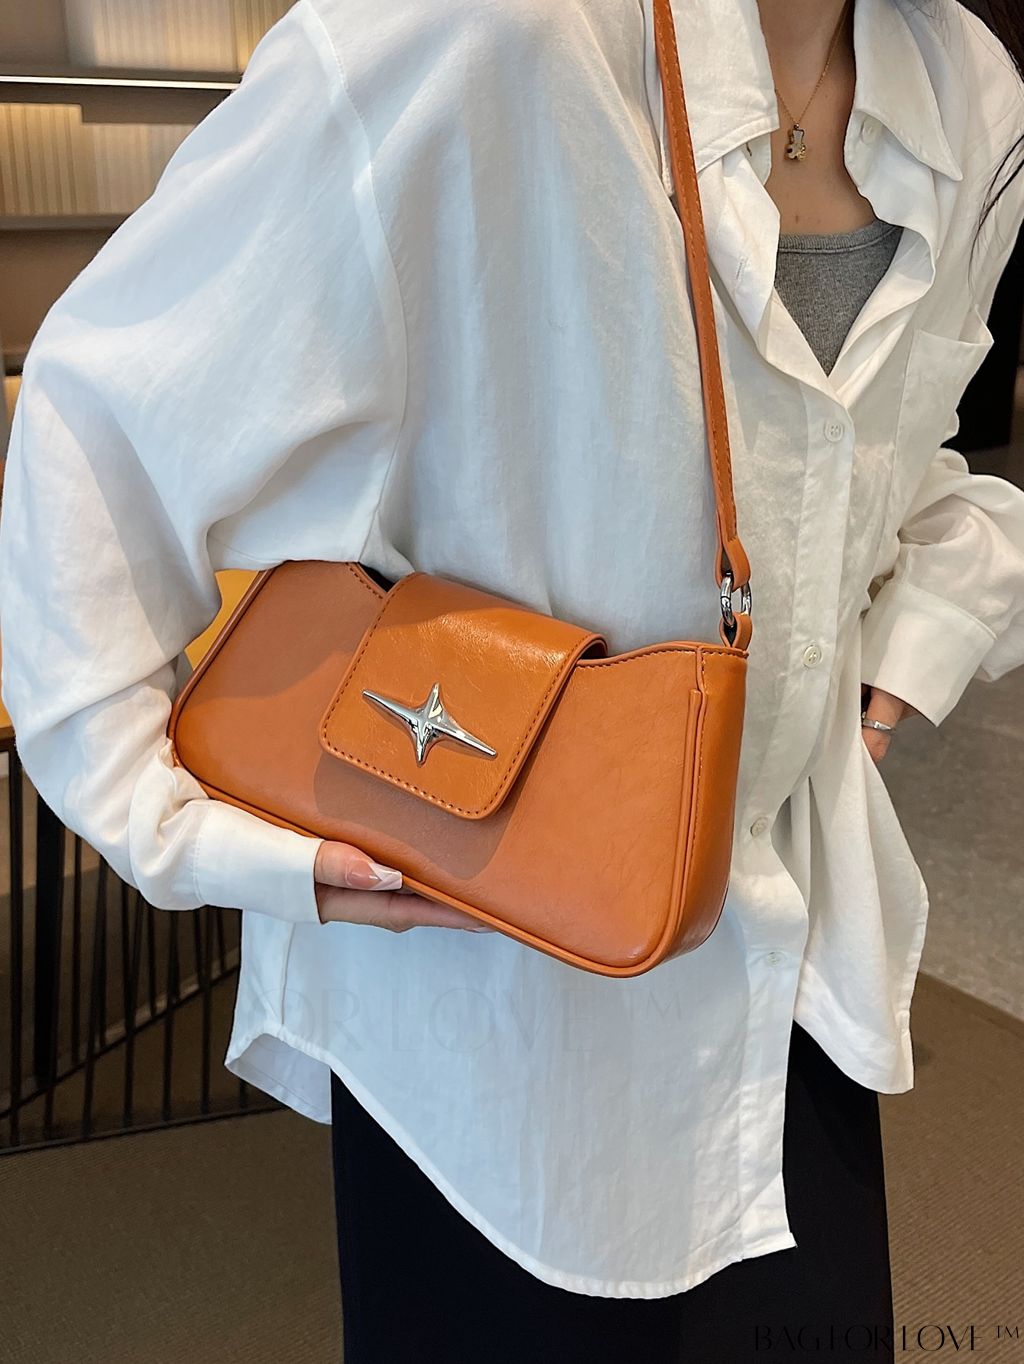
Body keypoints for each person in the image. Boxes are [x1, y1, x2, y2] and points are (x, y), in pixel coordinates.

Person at [1, 0, 1023, 1358]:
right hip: (487, 993)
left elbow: (899, 450)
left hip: (792, 951)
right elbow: (103, 411)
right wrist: (175, 823)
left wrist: (921, 629)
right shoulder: (477, 30)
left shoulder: (967, 87)